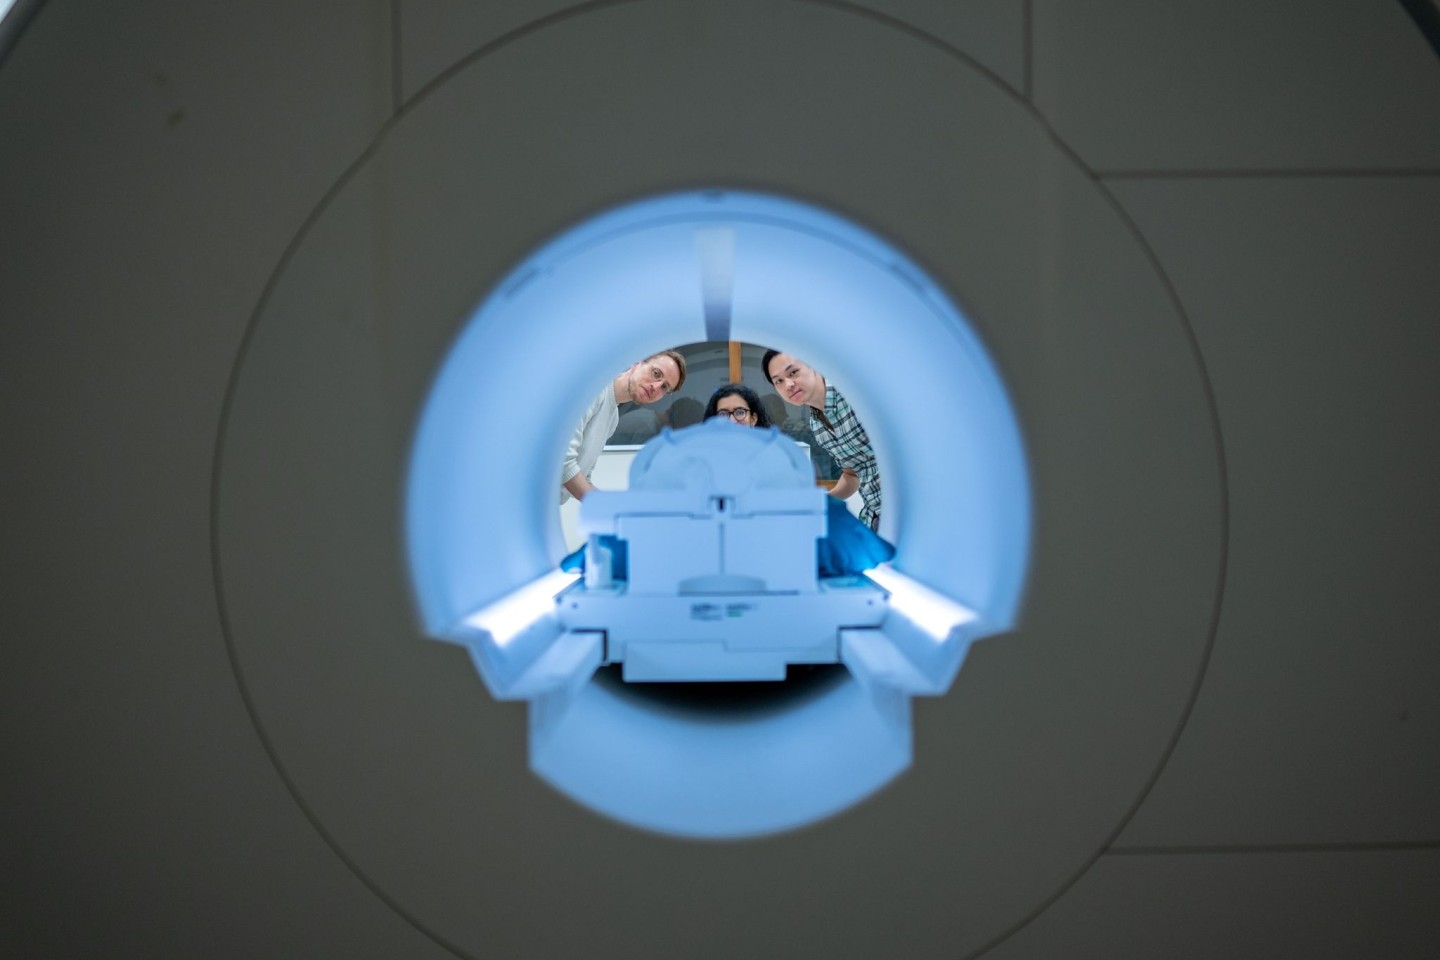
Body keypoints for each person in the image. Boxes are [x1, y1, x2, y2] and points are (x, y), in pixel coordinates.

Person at [762, 350, 882, 532]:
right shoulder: (816, 425)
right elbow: (852, 475)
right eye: (778, 381)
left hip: (905, 506)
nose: (788, 384)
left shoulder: (854, 395)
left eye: (793, 372)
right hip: (874, 516)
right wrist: (820, 501)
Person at [561, 350, 686, 503]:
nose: (656, 386)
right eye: (655, 373)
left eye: (665, 387)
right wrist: (604, 505)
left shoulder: (613, 418)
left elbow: (584, 475)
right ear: (637, 363)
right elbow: (562, 460)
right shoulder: (594, 390)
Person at [701, 382, 772, 429]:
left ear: (753, 419)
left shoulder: (768, 450)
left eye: (740, 412)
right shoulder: (704, 451)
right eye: (723, 414)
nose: (732, 421)